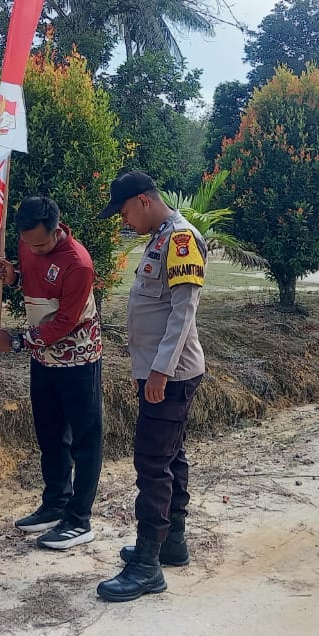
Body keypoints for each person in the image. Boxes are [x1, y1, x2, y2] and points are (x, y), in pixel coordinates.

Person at [93, 171, 206, 603]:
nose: (124, 221)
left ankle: (147, 565)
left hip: (169, 374)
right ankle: (171, 542)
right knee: (170, 456)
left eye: (124, 212)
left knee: (153, 464)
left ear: (143, 200)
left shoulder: (181, 239)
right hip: (160, 370)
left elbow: (183, 311)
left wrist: (159, 371)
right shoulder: (161, 236)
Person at [0, 197, 104, 551]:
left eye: (40, 244)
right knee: (51, 436)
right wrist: (15, 277)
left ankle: (79, 519)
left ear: (57, 230)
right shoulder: (28, 245)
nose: (34, 249)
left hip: (78, 360)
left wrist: (17, 342)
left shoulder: (78, 263)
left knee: (85, 440)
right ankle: (55, 503)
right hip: (44, 360)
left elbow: (65, 321)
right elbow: (37, 280)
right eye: (28, 243)